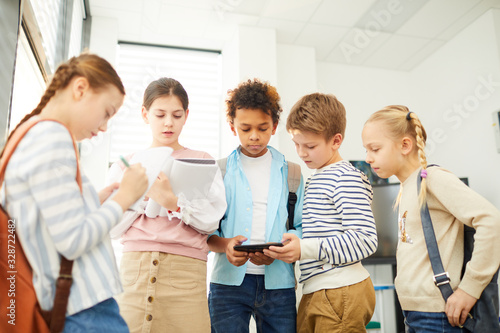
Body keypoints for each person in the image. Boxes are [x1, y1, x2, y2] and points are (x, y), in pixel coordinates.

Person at [1, 53, 149, 332]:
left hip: (72, 307)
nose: (105, 127)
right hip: (83, 306)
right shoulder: (52, 136)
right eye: (107, 112)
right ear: (80, 89)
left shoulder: (29, 133)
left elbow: (47, 222)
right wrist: (124, 197)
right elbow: (73, 240)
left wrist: (97, 198)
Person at [360, 105, 500, 332]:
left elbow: (491, 221)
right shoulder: (407, 188)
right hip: (414, 314)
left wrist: (469, 289)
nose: (368, 158)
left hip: (438, 316)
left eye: (374, 149)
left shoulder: (433, 179)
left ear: (405, 145)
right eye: (366, 150)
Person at [107, 77, 227, 333]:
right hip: (133, 271)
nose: (168, 122)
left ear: (186, 115)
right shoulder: (126, 164)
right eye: (160, 114)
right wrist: (142, 196)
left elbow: (212, 220)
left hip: (186, 273)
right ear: (144, 114)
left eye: (176, 114)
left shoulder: (203, 161)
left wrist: (172, 202)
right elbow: (111, 228)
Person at [265, 93, 378, 332]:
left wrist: (304, 248)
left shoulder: (345, 177)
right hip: (318, 289)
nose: (301, 153)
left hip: (340, 290)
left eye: (310, 146)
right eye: (296, 144)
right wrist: (298, 242)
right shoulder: (318, 177)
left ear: (336, 141)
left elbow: (365, 240)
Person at [207, 78, 304, 333]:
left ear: (274, 127)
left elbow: (301, 226)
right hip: (227, 285)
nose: (254, 136)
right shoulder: (219, 171)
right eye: (245, 128)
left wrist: (282, 247)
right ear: (232, 127)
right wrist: (226, 245)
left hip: (279, 286)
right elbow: (207, 233)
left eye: (262, 128)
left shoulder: (292, 173)